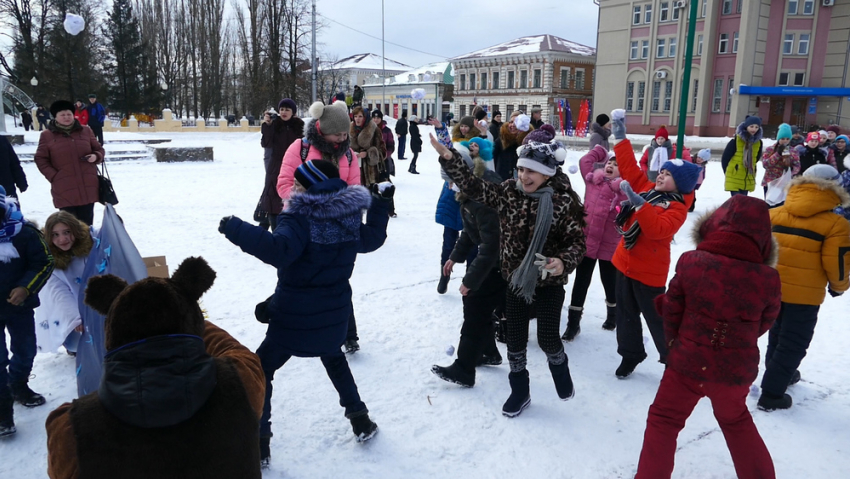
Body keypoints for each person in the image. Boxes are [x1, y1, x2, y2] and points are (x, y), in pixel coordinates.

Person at [221, 160, 393, 465]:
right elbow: (374, 239)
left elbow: (279, 250)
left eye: (299, 185)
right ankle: (361, 420)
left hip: (293, 319)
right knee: (335, 359)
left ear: (312, 188)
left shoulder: (299, 216)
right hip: (334, 316)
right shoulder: (347, 216)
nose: (293, 190)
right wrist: (381, 203)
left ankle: (259, 443)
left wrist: (236, 228)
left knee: (261, 369)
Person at [45, 257, 266, 477]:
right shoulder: (240, 383)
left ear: (112, 333)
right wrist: (184, 314)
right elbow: (239, 353)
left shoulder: (72, 429)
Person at [433, 126, 587, 418]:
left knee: (547, 339)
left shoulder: (563, 201)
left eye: (531, 171)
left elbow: (577, 242)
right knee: (515, 342)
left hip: (549, 283)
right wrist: (450, 159)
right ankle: (520, 390)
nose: (523, 177)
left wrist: (561, 262)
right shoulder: (508, 193)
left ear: (547, 173)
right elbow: (474, 186)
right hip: (515, 280)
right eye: (520, 170)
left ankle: (559, 364)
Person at [636, 195, 780, 479]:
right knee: (736, 422)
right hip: (735, 371)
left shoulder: (692, 261)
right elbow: (765, 322)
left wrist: (676, 346)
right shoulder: (768, 278)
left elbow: (672, 311)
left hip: (687, 363)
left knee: (664, 421)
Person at [608, 109, 701, 379]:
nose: (660, 176)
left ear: (680, 184)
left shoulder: (677, 208)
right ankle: (630, 354)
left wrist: (639, 205)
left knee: (658, 321)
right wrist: (621, 138)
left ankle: (675, 360)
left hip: (649, 274)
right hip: (624, 263)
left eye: (667, 175)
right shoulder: (649, 188)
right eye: (660, 172)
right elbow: (629, 167)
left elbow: (658, 230)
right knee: (626, 318)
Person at [758, 165, 850, 411]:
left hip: (771, 288)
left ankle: (779, 374)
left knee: (776, 333)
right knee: (794, 341)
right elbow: (837, 262)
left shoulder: (774, 214)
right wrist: (839, 286)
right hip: (805, 295)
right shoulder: (836, 224)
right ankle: (772, 393)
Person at [432, 144, 505, 387]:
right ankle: (489, 352)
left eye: (451, 181)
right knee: (477, 308)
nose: (450, 186)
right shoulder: (471, 192)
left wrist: (469, 281)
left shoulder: (483, 198)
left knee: (474, 309)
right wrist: (454, 256)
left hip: (502, 263)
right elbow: (470, 232)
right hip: (493, 260)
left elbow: (491, 246)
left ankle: (464, 369)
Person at [0, 186, 54, 437]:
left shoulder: (24, 233)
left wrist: (25, 287)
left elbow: (43, 262)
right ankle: (3, 415)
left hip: (18, 307)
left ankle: (18, 384)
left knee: (26, 348)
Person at [563, 144, 626, 341]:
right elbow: (585, 161)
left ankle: (613, 316)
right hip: (587, 242)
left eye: (616, 165)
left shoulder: (625, 190)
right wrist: (601, 150)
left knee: (610, 282)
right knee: (581, 282)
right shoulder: (593, 181)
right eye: (609, 163)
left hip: (609, 244)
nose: (611, 166)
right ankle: (573, 323)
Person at [34, 100, 105, 226]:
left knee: (86, 226)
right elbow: (40, 158)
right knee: (70, 227)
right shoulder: (47, 135)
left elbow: (99, 149)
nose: (66, 117)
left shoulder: (86, 131)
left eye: (69, 114)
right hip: (64, 187)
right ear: (55, 117)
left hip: (88, 185)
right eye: (62, 115)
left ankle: (88, 246)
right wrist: (54, 176)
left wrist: (96, 156)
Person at [34, 212, 94, 356]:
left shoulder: (92, 244)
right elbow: (58, 293)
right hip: (71, 310)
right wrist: (75, 319)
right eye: (55, 234)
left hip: (96, 302)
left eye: (67, 232)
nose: (62, 239)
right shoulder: (47, 260)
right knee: (76, 344)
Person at [261, 99, 304, 231]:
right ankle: (275, 232)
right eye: (282, 109)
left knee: (292, 197)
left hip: (294, 167)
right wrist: (267, 126)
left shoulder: (299, 126)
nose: (284, 112)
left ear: (293, 112)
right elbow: (266, 144)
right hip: (276, 168)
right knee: (274, 200)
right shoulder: (274, 125)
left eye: (287, 109)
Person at [722, 116, 764, 197]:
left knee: (743, 203)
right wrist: (729, 172)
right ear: (746, 126)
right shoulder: (736, 141)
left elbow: (756, 158)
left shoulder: (758, 143)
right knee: (737, 202)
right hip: (734, 176)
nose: (754, 129)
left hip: (748, 177)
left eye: (756, 127)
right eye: (751, 126)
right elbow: (725, 158)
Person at [761, 123, 802, 197]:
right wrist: (777, 154)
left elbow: (797, 166)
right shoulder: (770, 149)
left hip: (784, 183)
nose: (785, 141)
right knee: (769, 205)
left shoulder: (793, 151)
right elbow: (765, 164)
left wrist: (790, 170)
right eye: (782, 139)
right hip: (771, 181)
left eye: (787, 139)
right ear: (778, 138)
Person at [349, 106, 386, 186]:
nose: (357, 119)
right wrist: (352, 154)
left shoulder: (374, 130)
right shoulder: (349, 130)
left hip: (370, 174)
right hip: (353, 171)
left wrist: (368, 153)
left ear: (365, 117)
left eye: (360, 116)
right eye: (355, 116)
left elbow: (382, 153)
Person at [371, 109, 397, 217]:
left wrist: (386, 155)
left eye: (378, 118)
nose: (376, 119)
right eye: (374, 117)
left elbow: (391, 145)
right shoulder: (369, 130)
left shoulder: (386, 131)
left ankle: (390, 209)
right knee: (372, 185)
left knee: (386, 184)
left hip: (384, 161)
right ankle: (374, 208)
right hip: (371, 161)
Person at [494, 112, 534, 181]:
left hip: (522, 181)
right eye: (511, 122)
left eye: (516, 122)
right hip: (501, 181)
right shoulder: (502, 140)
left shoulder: (528, 141)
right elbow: (490, 155)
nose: (513, 125)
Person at [0, 135, 27, 201]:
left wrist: (21, 180)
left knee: (11, 209)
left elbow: (13, 162)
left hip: (7, 188)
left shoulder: (2, 140)